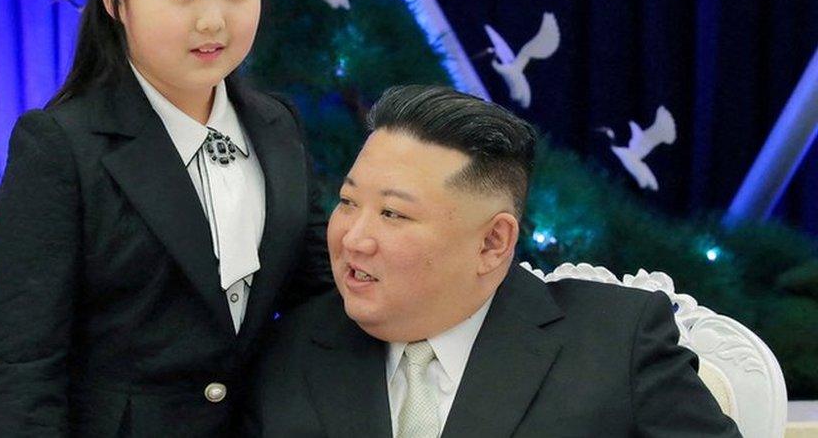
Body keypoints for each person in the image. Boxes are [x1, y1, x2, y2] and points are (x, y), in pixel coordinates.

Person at [0, 0, 331, 435]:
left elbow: (319, 297)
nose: (214, 20)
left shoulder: (276, 124)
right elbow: (26, 367)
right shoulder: (59, 144)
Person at [249, 84, 741, 437]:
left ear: (492, 243)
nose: (354, 238)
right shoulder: (288, 350)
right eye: (349, 202)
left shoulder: (615, 342)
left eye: (393, 213)